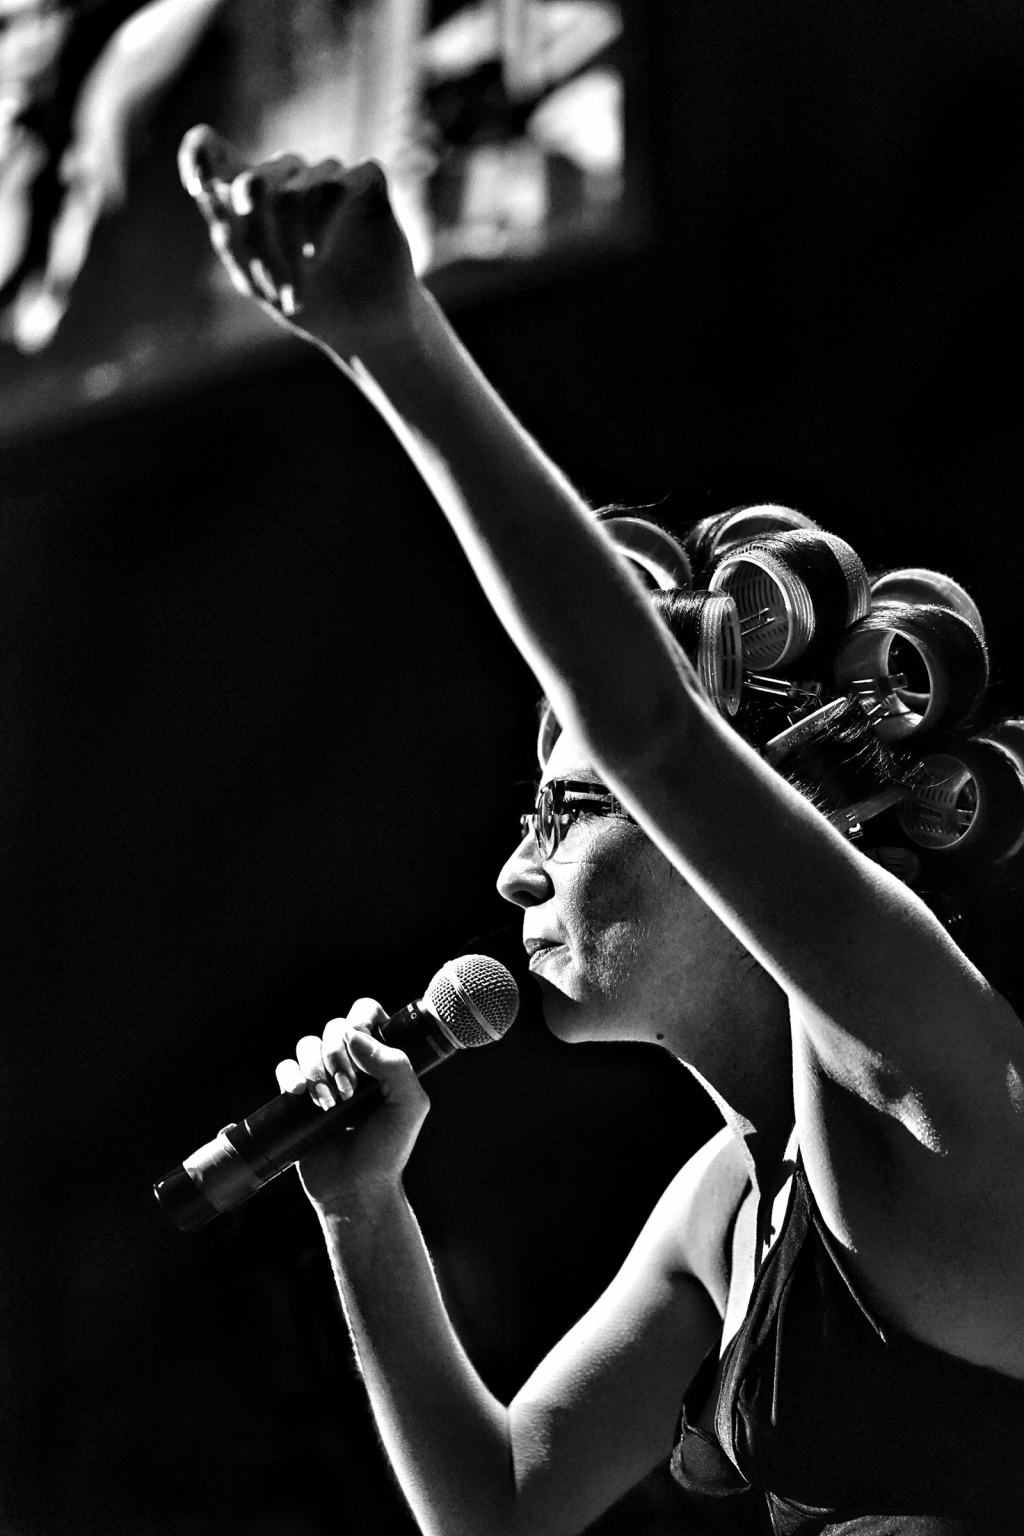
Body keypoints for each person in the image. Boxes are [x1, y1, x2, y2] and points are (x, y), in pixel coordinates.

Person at [177, 124, 1024, 1535]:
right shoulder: (727, 1204)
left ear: (763, 821)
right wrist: (362, 1211)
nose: (517, 872)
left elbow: (651, 730)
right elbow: (495, 1511)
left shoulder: (914, 1054)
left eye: (569, 814)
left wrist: (392, 343)